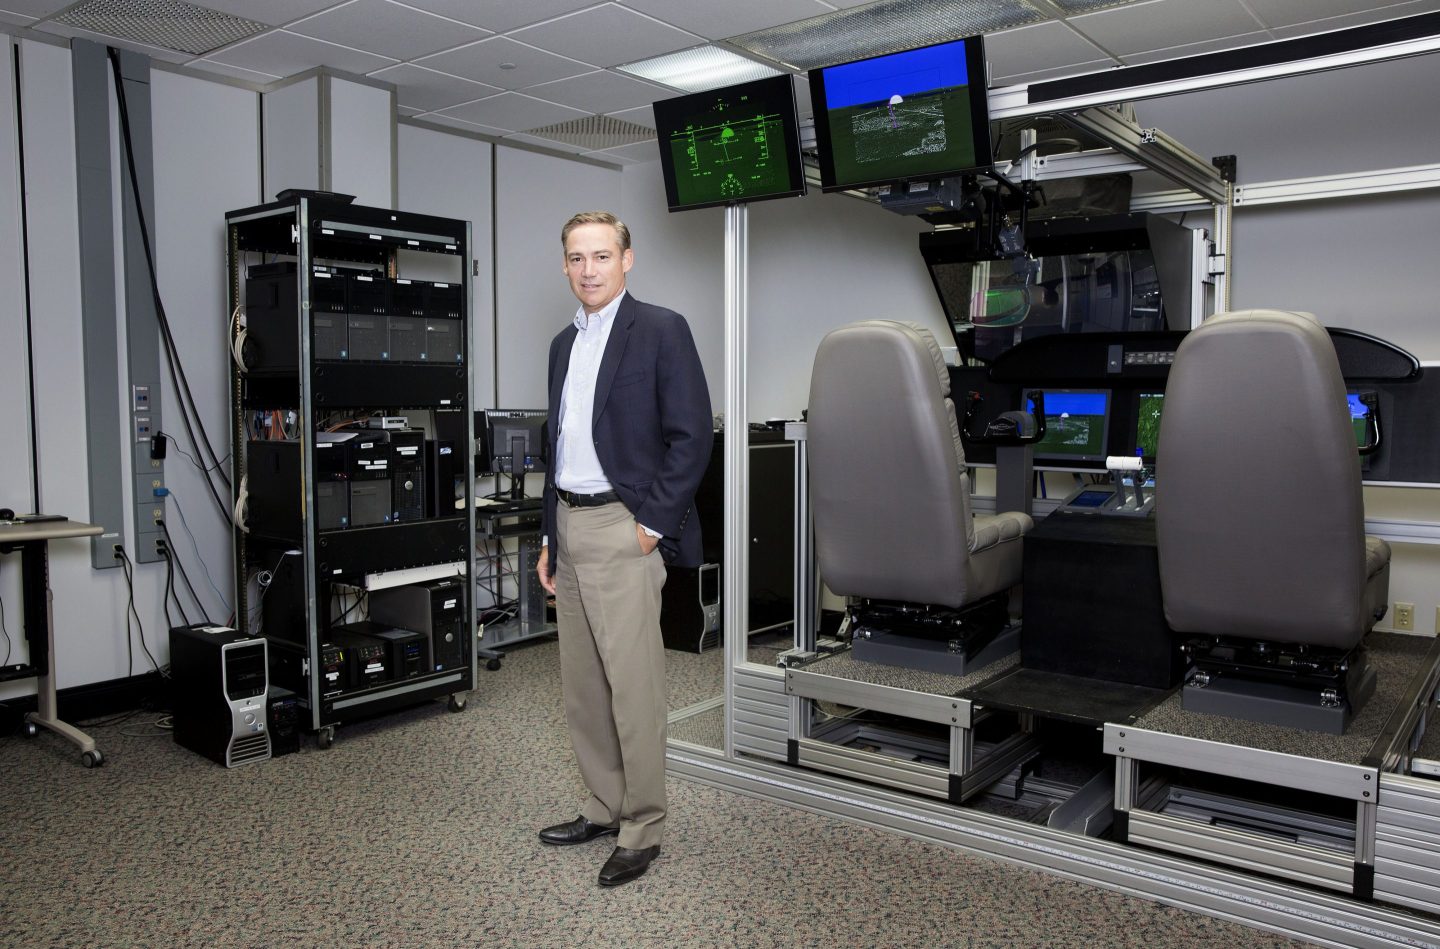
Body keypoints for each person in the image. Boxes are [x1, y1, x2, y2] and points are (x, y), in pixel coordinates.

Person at [536, 210, 713, 887]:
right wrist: (551, 537)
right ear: (565, 264)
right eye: (577, 257)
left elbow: (691, 436)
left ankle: (643, 826)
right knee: (582, 687)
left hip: (623, 525)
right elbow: (560, 447)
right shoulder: (562, 343)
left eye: (601, 255)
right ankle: (603, 805)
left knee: (633, 687)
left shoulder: (662, 330)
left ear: (627, 258)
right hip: (570, 524)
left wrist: (650, 527)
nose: (589, 269)